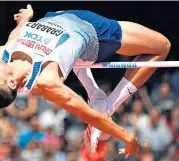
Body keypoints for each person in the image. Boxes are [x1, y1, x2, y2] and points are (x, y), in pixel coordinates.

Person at [0, 5, 140, 159]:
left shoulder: (0, 55)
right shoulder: (46, 81)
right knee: (162, 47)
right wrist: (126, 136)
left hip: (57, 17)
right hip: (92, 30)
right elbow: (86, 113)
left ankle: (96, 96)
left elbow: (14, 37)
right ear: (12, 83)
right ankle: (107, 104)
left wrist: (24, 20)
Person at [43, 9, 170, 151]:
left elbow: (73, 55)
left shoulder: (31, 59)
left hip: (73, 28)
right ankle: (107, 107)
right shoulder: (25, 42)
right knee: (163, 47)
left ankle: (102, 104)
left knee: (72, 51)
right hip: (84, 27)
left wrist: (94, 93)